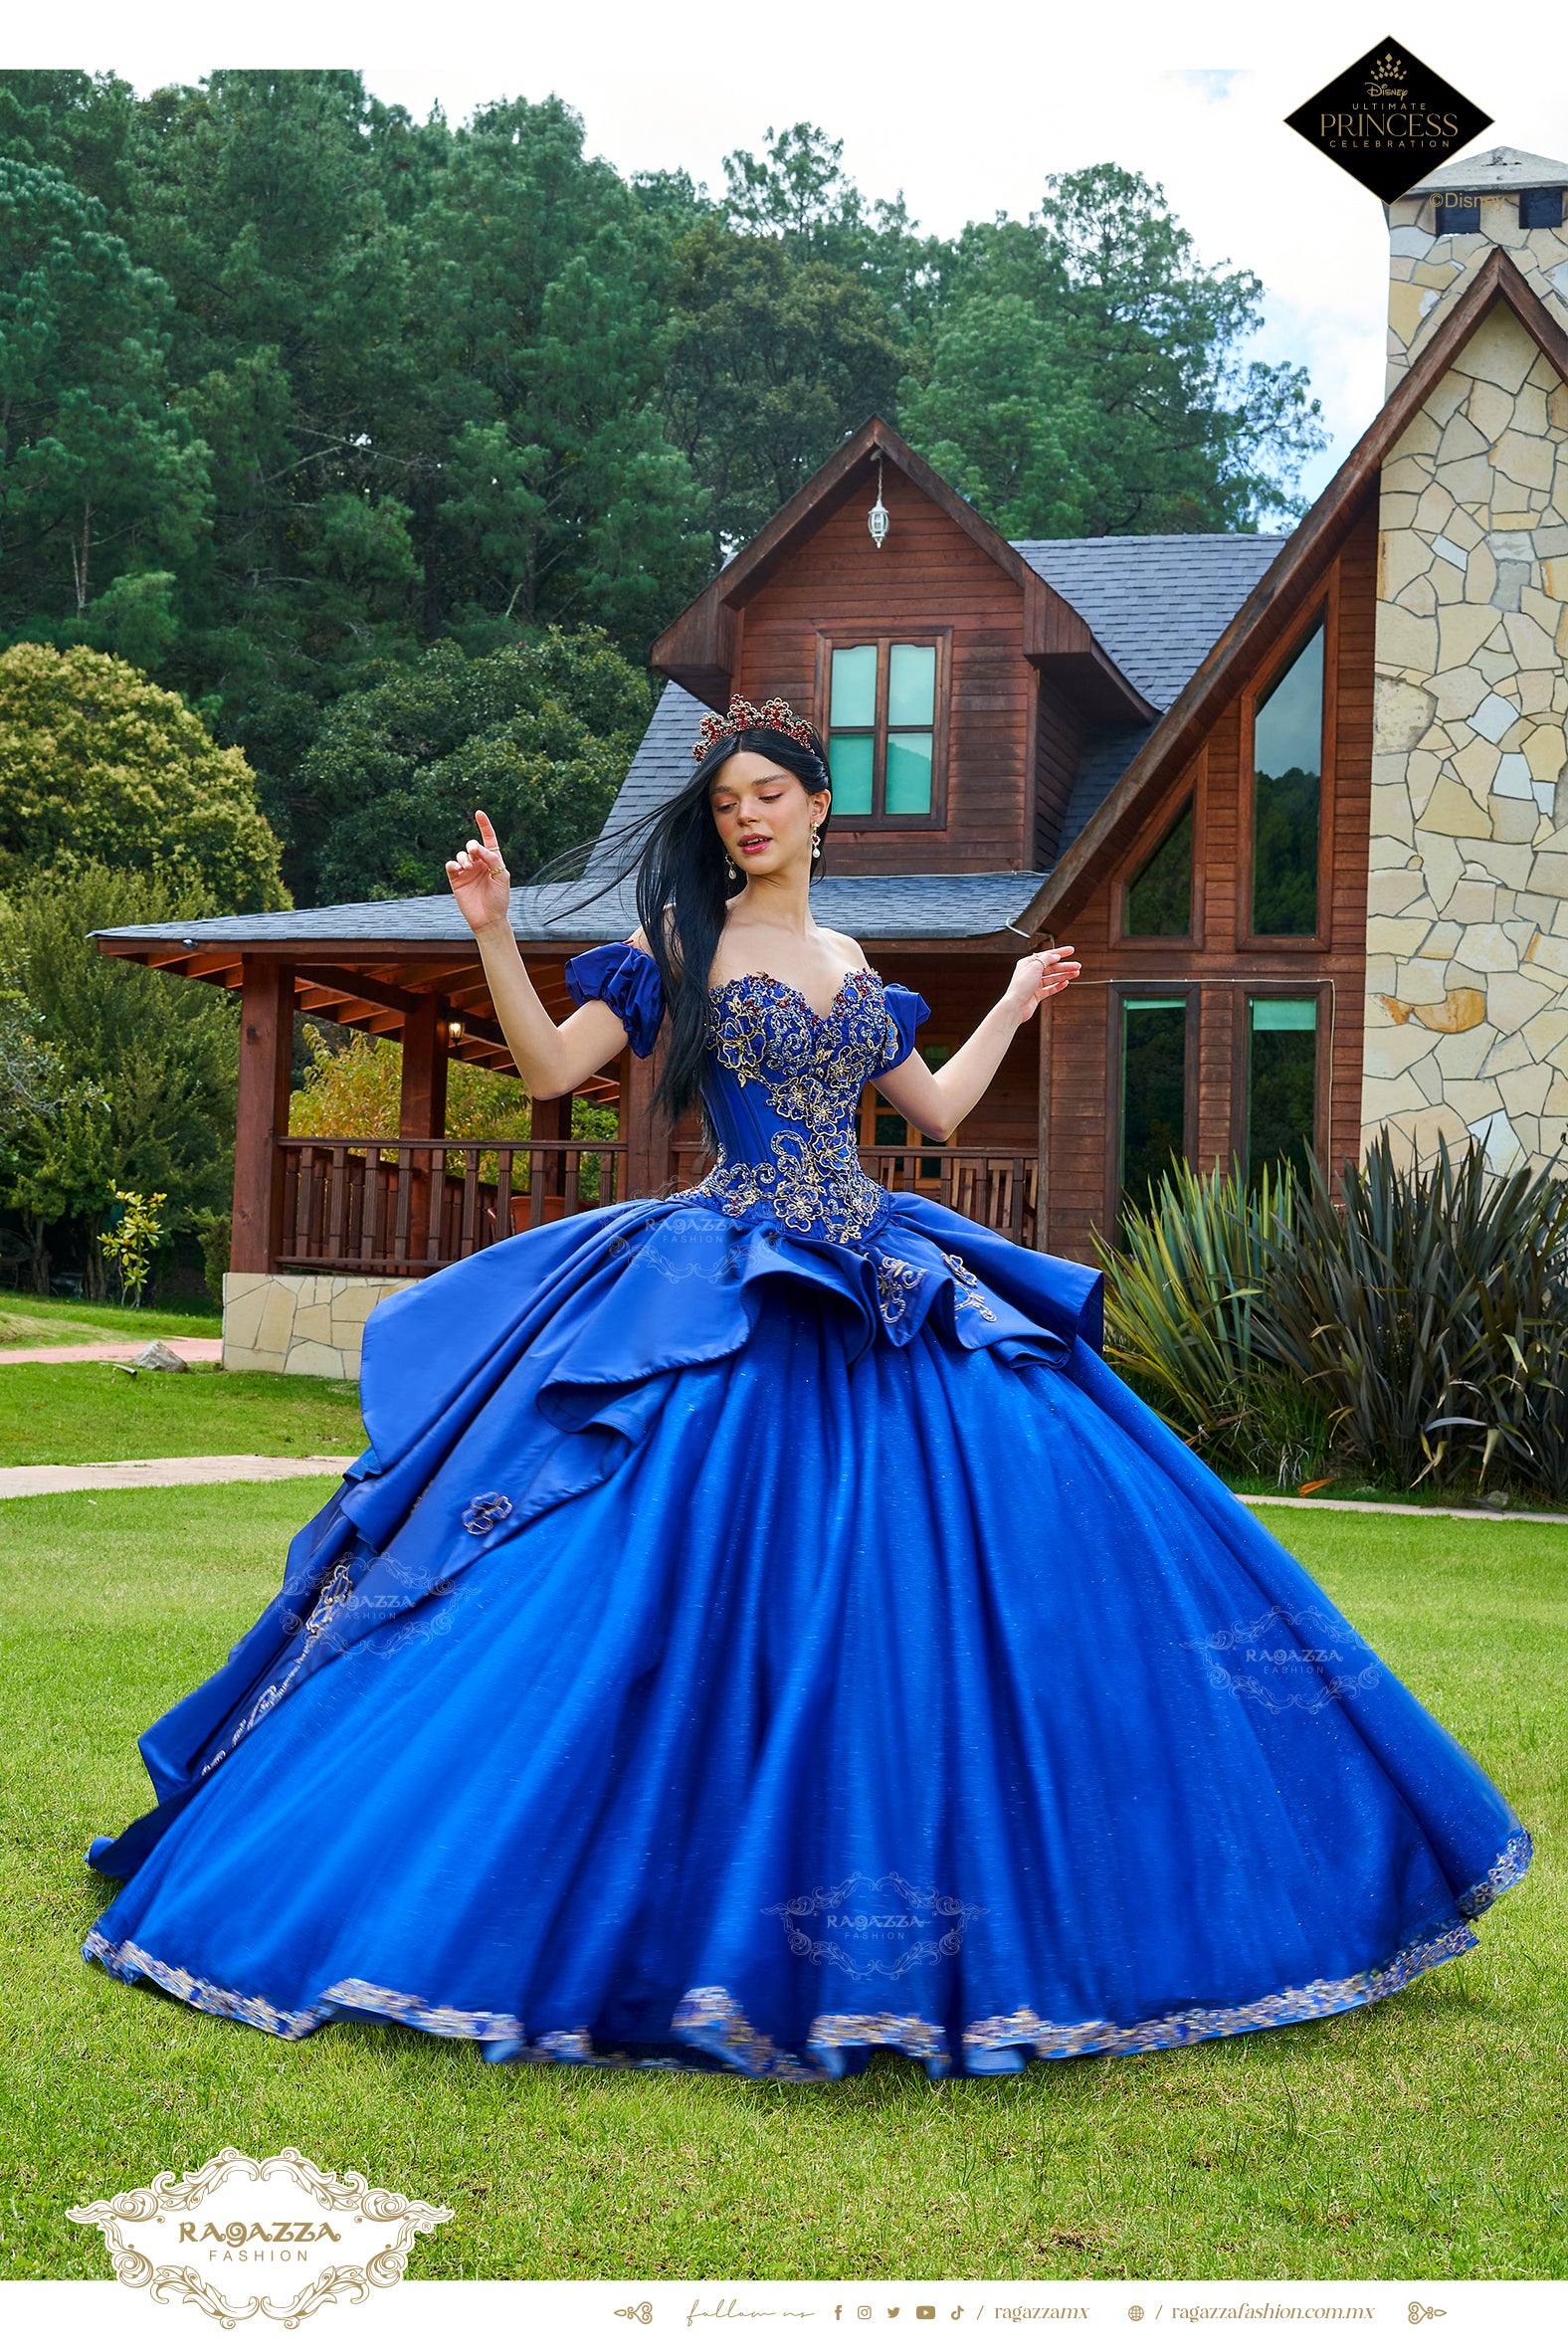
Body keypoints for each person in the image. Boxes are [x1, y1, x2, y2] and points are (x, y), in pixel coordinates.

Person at [84, 694, 1529, 2082]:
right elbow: (544, 1061)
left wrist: (1018, 998)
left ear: (819, 809)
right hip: (733, 1276)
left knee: (1022, 1544)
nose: (747, 817)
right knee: (638, 1576)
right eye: (725, 804)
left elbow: (943, 1114)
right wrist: (497, 934)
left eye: (769, 794)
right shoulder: (674, 945)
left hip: (883, 1271)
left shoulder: (853, 961)